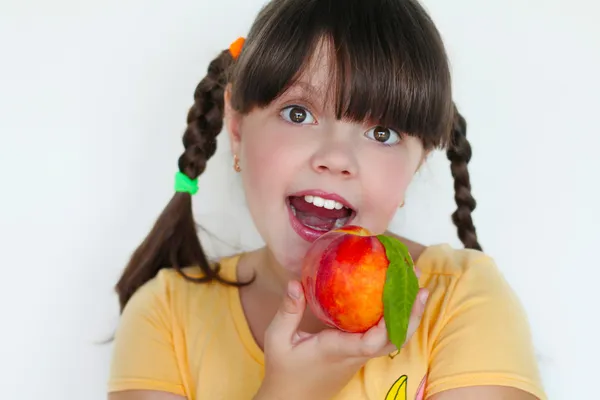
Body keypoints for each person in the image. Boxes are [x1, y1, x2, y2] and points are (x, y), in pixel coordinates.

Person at [107, 0, 547, 399]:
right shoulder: (165, 317)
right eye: (298, 113)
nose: (337, 158)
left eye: (382, 133)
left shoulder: (461, 299)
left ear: (416, 165)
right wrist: (291, 392)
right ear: (237, 130)